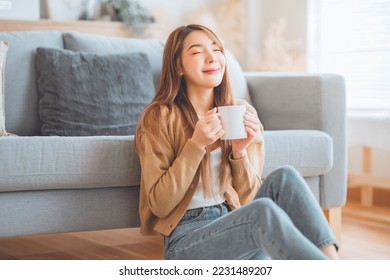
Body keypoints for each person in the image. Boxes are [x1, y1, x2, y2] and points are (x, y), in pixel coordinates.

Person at [135, 24, 339, 260]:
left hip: (238, 228)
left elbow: (248, 200)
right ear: (178, 66)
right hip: (186, 240)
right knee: (261, 213)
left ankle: (333, 264)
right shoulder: (160, 117)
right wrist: (196, 145)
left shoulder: (241, 112)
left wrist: (239, 154)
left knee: (286, 177)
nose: (212, 57)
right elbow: (160, 204)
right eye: (197, 51)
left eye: (216, 49)